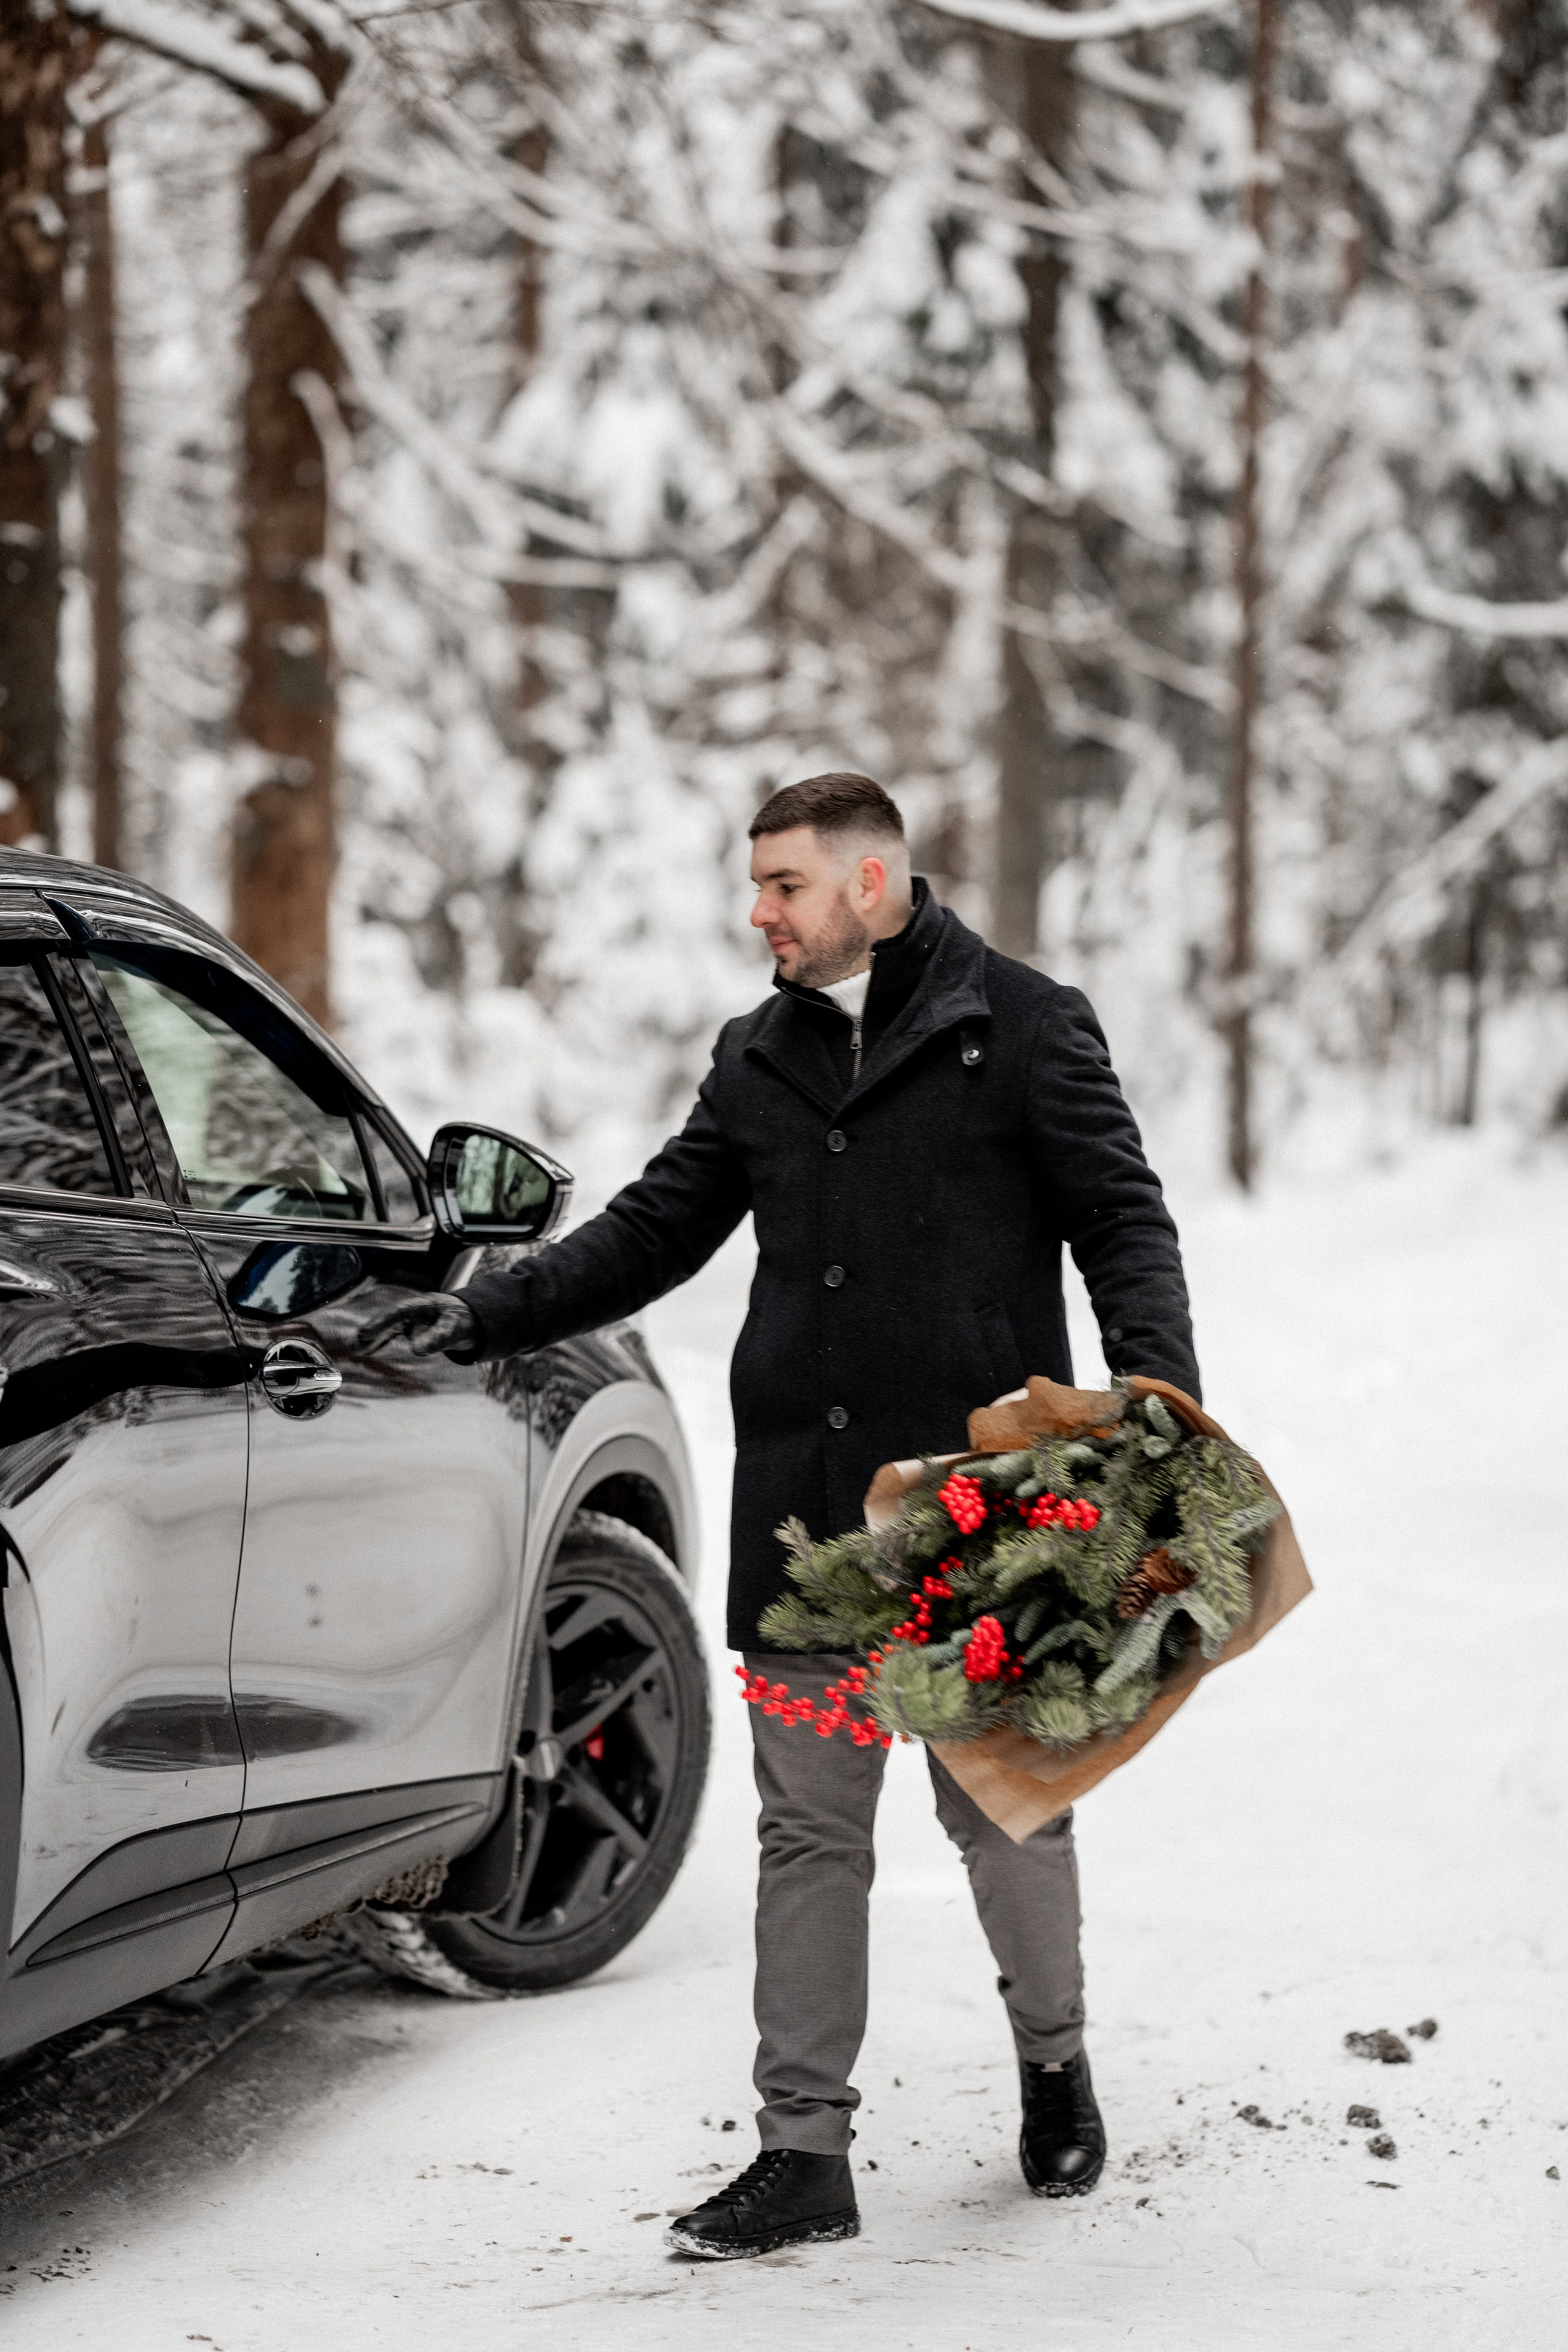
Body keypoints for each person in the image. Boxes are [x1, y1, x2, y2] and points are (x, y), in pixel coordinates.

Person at [363, 771, 1199, 2261]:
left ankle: (1054, 2059)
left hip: (975, 1520)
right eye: (755, 886)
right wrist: (485, 1317)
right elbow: (652, 1228)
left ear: (870, 885)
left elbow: (1122, 1220)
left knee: (1003, 1810)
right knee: (809, 1838)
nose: (758, 913)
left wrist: (1156, 1397)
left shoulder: (1023, 1026)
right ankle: (802, 2151)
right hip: (807, 1527)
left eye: (782, 886)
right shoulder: (757, 1056)